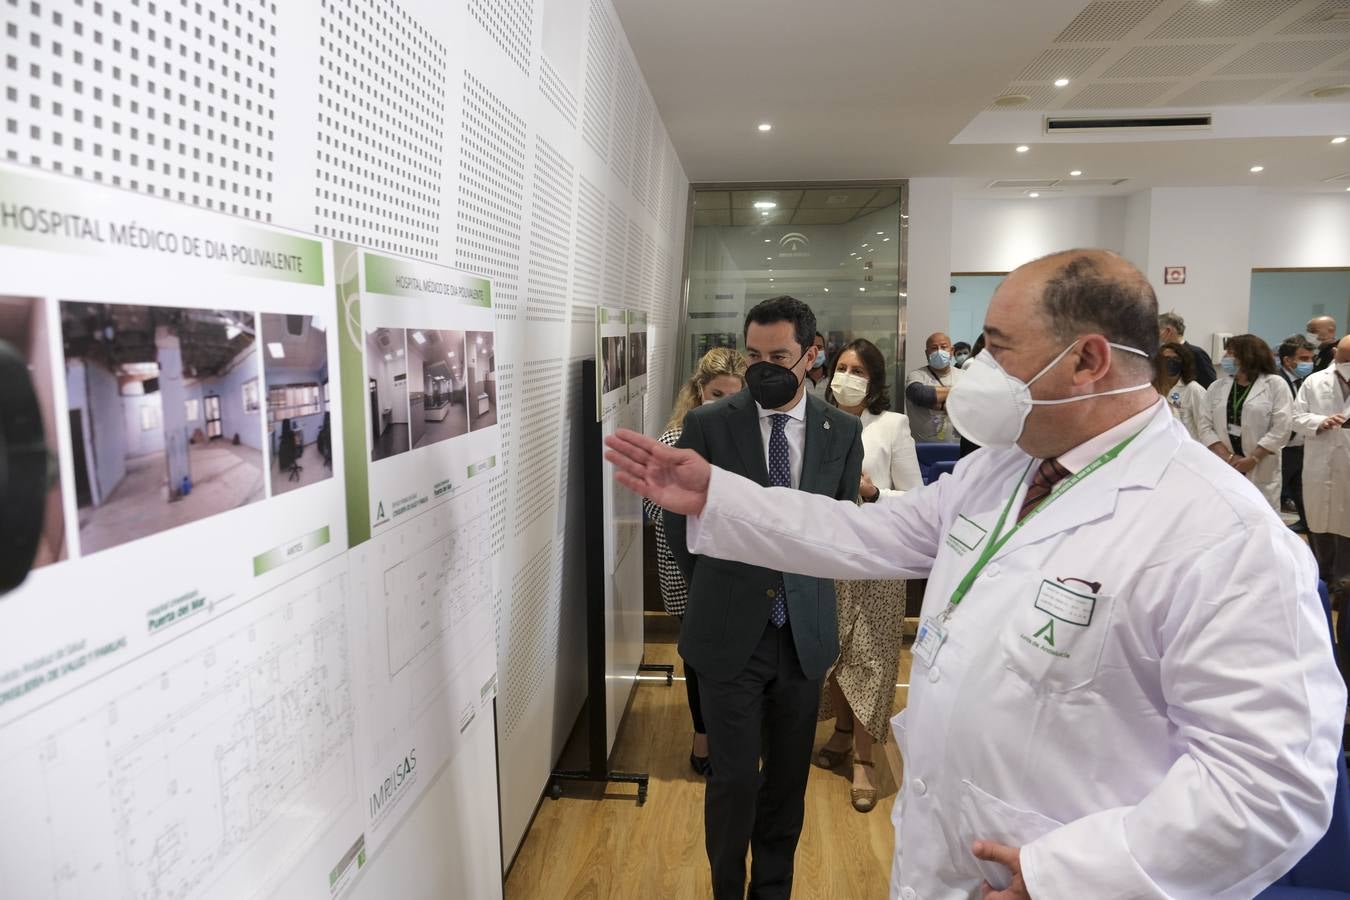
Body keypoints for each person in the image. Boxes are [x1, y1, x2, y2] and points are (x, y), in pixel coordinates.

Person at [607, 249, 1343, 900]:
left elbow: (1269, 788)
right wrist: (720, 496)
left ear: (1088, 360)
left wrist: (1071, 877)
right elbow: (869, 534)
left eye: (996, 350)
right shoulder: (1003, 469)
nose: (972, 373)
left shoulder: (1223, 535)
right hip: (946, 857)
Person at [663, 295, 863, 900]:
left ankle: (772, 890)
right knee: (733, 784)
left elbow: (841, 524)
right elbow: (680, 528)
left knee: (785, 785)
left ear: (811, 354)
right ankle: (727, 890)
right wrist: (719, 597)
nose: (763, 366)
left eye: (778, 355)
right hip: (730, 636)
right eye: (754, 354)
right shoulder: (710, 423)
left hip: (804, 636)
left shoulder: (841, 430)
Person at [814, 338, 921, 813]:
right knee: (832, 655)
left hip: (878, 557)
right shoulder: (815, 420)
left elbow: (917, 500)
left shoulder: (893, 425)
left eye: (858, 370)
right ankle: (840, 731)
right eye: (841, 367)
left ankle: (864, 759)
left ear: (874, 380)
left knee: (873, 657)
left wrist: (874, 493)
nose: (848, 377)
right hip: (827, 556)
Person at [642, 347, 747, 777]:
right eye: (714, 393)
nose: (722, 404)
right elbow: (652, 511)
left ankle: (734, 734)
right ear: (699, 391)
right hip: (686, 567)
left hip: (736, 564)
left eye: (732, 396)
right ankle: (702, 733)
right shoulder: (674, 440)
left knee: (739, 654)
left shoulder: (750, 441)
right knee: (699, 655)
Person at [1198, 334, 1291, 512]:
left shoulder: (1275, 385)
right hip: (1225, 463)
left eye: (1231, 353)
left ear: (1248, 355)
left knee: (1259, 519)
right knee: (1226, 516)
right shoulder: (1217, 386)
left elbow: (1282, 427)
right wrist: (1228, 457)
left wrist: (1254, 458)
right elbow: (1204, 425)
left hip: (1260, 465)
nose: (1225, 358)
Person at [1293, 334, 1350, 600]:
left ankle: (1343, 589)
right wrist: (1320, 421)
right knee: (1320, 525)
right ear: (1336, 353)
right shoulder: (1314, 382)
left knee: (1346, 527)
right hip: (1320, 465)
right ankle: (1320, 583)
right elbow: (1296, 418)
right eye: (1345, 358)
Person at [1278, 334, 1318, 532]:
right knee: (1275, 494)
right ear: (1287, 360)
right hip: (1283, 448)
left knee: (1303, 493)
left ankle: (1308, 526)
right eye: (1304, 359)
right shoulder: (1277, 381)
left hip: (1302, 446)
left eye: (1311, 359)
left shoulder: (1305, 381)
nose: (1309, 363)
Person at [905, 332, 963, 443]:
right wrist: (957, 392)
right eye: (934, 348)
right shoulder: (917, 375)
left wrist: (936, 400)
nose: (939, 351)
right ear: (927, 353)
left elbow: (972, 402)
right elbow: (919, 395)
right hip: (923, 449)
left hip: (959, 447)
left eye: (943, 347)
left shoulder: (965, 376)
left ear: (952, 351)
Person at [1151, 341, 1206, 441]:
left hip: (1188, 448)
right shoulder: (1153, 390)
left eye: (1176, 359)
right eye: (1166, 359)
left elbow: (1205, 428)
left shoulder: (1193, 389)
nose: (1171, 362)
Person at [1158, 311, 1217, 388]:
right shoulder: (1161, 353)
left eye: (1156, 330)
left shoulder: (1196, 353)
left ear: (1168, 331)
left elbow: (1211, 386)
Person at [804, 331, 829, 398]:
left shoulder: (832, 378)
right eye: (810, 348)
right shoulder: (798, 378)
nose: (815, 352)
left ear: (825, 351)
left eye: (819, 347)